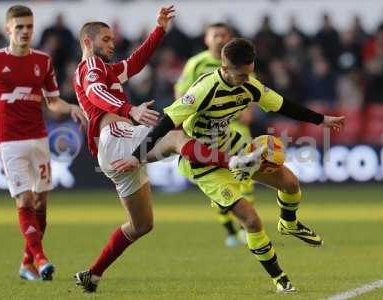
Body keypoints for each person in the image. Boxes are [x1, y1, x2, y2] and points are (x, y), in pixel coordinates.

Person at [121, 38, 345, 293]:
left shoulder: (250, 85)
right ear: (225, 69)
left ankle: (289, 223)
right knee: (252, 221)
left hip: (232, 146)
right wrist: (136, 154)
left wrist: (321, 120)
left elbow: (283, 105)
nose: (246, 80)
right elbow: (166, 123)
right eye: (241, 75)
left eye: (249, 73)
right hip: (202, 161)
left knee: (291, 183)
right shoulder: (204, 89)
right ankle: (279, 278)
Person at [72, 6, 233, 293]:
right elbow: (96, 94)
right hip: (116, 135)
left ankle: (93, 274)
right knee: (173, 137)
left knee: (142, 225)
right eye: (106, 39)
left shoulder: (106, 69)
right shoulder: (91, 68)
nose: (112, 44)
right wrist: (129, 109)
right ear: (87, 42)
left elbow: (135, 63)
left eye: (112, 39)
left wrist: (159, 29)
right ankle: (234, 162)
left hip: (114, 152)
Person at [0, 5, 86, 281]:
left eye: (29, 26)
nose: (25, 31)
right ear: (8, 29)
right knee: (25, 199)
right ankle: (41, 259)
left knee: (41, 203)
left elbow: (52, 100)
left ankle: (26, 262)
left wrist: (72, 108)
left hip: (39, 138)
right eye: (19, 27)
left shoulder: (43, 61)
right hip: (9, 142)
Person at [174, 22, 255, 246]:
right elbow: (181, 94)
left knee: (246, 178)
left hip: (236, 127)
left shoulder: (238, 61)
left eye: (224, 35)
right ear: (207, 39)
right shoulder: (196, 63)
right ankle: (231, 231)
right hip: (208, 129)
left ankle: (245, 228)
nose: (220, 38)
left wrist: (248, 111)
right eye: (215, 35)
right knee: (221, 182)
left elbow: (251, 88)